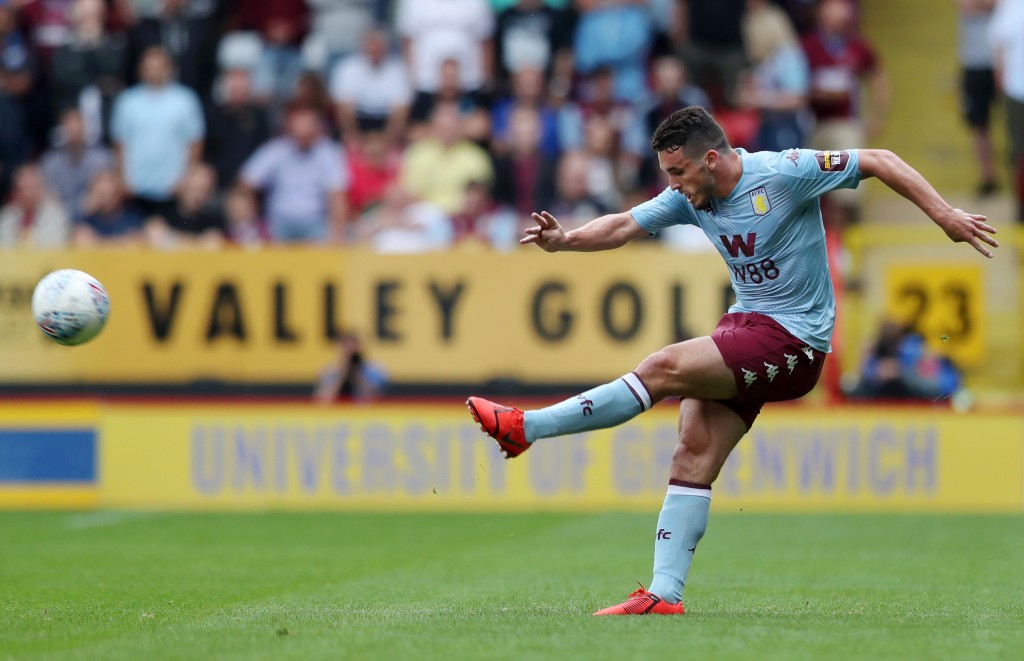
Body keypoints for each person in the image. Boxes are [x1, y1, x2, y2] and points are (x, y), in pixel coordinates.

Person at [465, 106, 998, 616]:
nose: (671, 184)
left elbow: (878, 159)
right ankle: (664, 593)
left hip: (794, 339)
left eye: (677, 171)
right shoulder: (688, 197)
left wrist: (945, 215)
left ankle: (527, 427)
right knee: (691, 451)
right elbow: (626, 224)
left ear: (711, 160)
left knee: (663, 366)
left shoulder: (784, 172)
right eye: (666, 173)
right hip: (745, 325)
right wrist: (566, 241)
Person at [956, 0, 999, 197]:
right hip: (974, 64)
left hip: (1004, 61)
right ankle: (987, 177)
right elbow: (967, 6)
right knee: (979, 124)